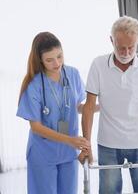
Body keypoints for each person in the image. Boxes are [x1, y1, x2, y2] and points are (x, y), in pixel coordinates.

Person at [79, 16, 138, 194]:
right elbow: (89, 107)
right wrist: (86, 147)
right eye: (120, 47)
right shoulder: (98, 65)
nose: (125, 52)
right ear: (111, 41)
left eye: (131, 47)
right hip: (108, 142)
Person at [16, 32, 90, 194]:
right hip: (43, 153)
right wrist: (70, 140)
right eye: (49, 60)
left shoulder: (72, 74)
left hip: (68, 152)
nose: (57, 63)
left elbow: (77, 107)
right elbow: (35, 127)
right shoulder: (34, 84)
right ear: (40, 60)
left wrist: (100, 107)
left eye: (59, 56)